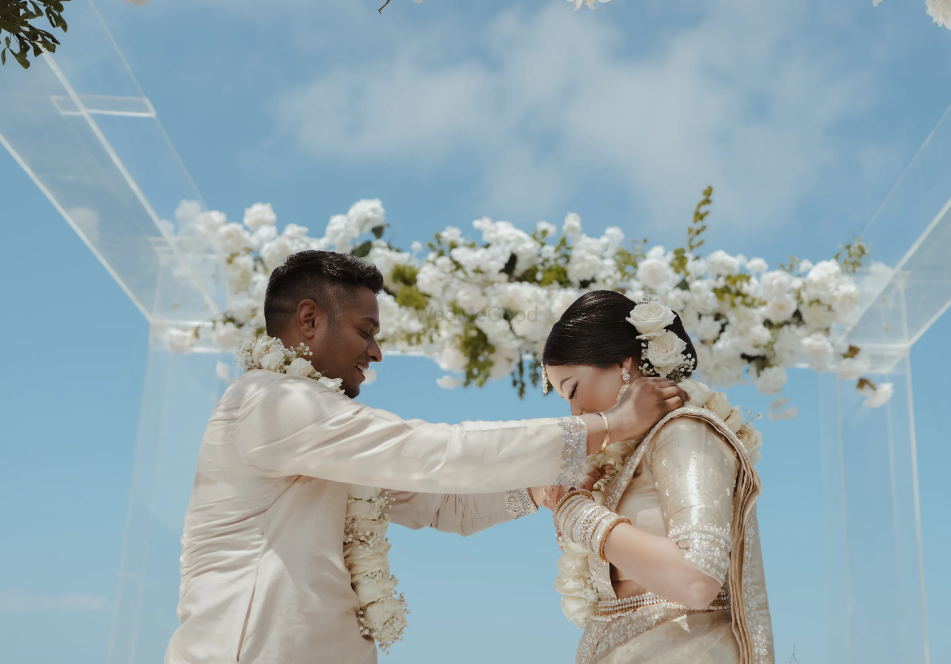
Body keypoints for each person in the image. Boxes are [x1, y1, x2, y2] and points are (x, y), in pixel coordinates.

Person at [164, 251, 688, 664]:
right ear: (308, 320)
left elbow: (437, 503)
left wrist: (538, 490)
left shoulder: (324, 433)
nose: (376, 352)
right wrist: (607, 426)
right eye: (365, 331)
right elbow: (431, 453)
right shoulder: (270, 402)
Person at [539, 290, 774, 664]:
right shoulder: (629, 458)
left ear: (623, 364)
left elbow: (696, 581)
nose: (574, 411)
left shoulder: (684, 432)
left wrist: (576, 515)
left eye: (573, 389)